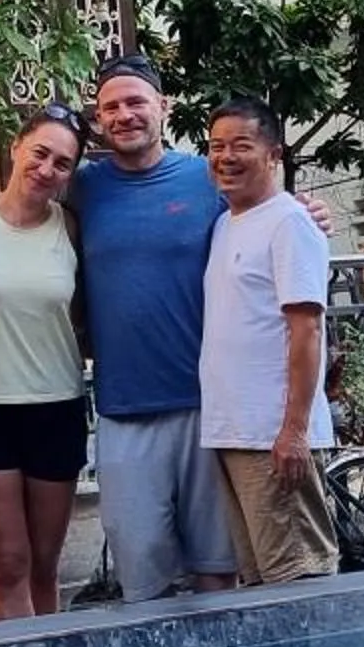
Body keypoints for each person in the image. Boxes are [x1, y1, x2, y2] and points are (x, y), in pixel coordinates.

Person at [72, 55, 241, 603]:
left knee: (217, 568)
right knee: (142, 578)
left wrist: (310, 212)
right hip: (123, 408)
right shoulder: (82, 188)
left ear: (163, 107)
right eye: (111, 107)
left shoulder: (207, 177)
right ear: (99, 119)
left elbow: (263, 220)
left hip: (207, 404)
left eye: (135, 102)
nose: (124, 115)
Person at [0, 105, 91, 618]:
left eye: (62, 163)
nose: (47, 168)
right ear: (15, 147)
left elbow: (80, 315)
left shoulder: (70, 227)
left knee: (45, 566)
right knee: (8, 564)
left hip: (56, 406)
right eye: (40, 153)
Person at [196, 97, 339, 585]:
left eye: (241, 145)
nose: (226, 157)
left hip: (274, 436)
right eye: (216, 146)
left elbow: (307, 329)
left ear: (273, 154)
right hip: (235, 432)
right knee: (261, 585)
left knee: (298, 579)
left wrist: (294, 431)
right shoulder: (225, 223)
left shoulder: (290, 222)